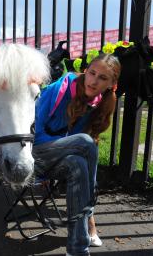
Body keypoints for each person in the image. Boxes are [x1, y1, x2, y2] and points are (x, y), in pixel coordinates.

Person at [33, 53, 121, 256]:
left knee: (78, 163)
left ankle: (77, 250)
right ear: (85, 70)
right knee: (85, 143)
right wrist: (64, 146)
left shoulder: (100, 103)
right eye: (92, 73)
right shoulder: (60, 89)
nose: (94, 80)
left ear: (111, 84)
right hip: (33, 154)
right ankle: (89, 210)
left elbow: (82, 155)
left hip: (62, 160)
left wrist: (66, 148)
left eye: (102, 78)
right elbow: (34, 135)